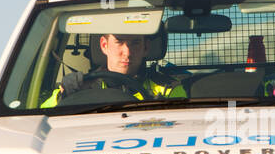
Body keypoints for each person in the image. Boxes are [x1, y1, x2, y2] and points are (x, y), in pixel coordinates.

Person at [40, 31, 186, 107]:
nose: (127, 52)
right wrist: (65, 95)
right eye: (119, 42)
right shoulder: (81, 86)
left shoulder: (168, 88)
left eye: (135, 43)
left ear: (146, 47)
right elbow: (41, 116)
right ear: (104, 45)